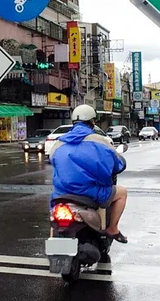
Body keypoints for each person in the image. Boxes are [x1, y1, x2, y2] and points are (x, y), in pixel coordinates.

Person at [49, 104, 129, 243]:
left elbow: (52, 160)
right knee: (122, 192)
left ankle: (52, 239)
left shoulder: (59, 143)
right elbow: (118, 164)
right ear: (92, 122)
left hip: (62, 193)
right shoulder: (101, 142)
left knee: (54, 213)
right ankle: (113, 229)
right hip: (90, 192)